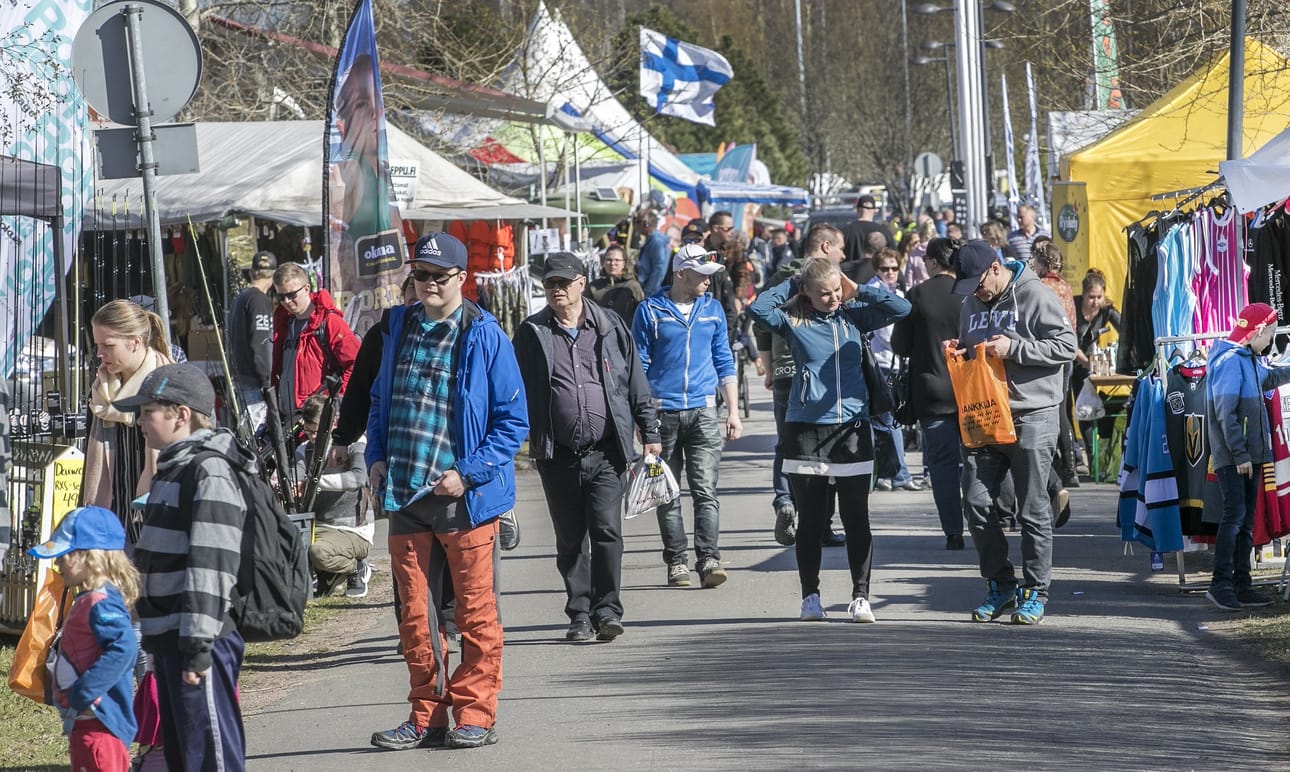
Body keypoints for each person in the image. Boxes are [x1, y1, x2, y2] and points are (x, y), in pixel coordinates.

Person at [367, 232, 527, 751]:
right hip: (405, 496)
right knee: (416, 615)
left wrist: (468, 472)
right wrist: (375, 459)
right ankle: (425, 715)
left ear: (462, 278)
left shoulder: (484, 334)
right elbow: (377, 401)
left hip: (464, 497)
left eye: (439, 276)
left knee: (475, 613)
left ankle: (475, 714)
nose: (428, 285)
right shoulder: (396, 325)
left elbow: (512, 421)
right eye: (420, 275)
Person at [748, 257, 910, 623]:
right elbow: (758, 309)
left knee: (857, 518)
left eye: (837, 291)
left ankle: (860, 597)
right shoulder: (793, 319)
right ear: (806, 292)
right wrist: (794, 283)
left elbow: (902, 306)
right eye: (824, 294)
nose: (833, 298)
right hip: (807, 428)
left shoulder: (852, 315)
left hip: (852, 428)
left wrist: (857, 289)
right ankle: (810, 597)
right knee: (812, 519)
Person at [515, 252, 661, 642]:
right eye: (550, 284)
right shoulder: (532, 332)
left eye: (564, 282)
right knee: (569, 539)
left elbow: (634, 383)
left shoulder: (610, 326)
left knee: (607, 531)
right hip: (557, 452)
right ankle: (579, 613)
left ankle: (608, 610)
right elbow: (513, 391)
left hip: (607, 450)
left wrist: (651, 433)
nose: (557, 290)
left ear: (582, 283)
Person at [119, 363, 251, 772]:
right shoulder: (171, 469)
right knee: (186, 758)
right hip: (172, 641)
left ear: (182, 414)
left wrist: (198, 649)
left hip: (199, 642)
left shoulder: (208, 469)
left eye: (148, 411)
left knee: (212, 758)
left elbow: (211, 565)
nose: (140, 421)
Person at [949, 239, 1077, 626]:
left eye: (978, 283)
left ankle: (1036, 591)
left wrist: (1016, 348)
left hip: (1031, 414)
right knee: (975, 502)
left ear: (994, 268)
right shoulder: (971, 302)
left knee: (1033, 508)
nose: (975, 292)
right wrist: (958, 351)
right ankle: (1001, 585)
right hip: (985, 416)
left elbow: (1067, 345)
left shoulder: (1035, 294)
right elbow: (976, 350)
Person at [632, 243, 743, 589]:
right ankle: (676, 561)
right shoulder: (650, 311)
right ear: (681, 273)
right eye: (703, 276)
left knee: (705, 490)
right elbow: (639, 366)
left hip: (704, 411)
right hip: (662, 414)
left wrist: (734, 412)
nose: (709, 283)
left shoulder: (712, 311)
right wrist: (641, 418)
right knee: (667, 492)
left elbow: (724, 360)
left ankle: (709, 558)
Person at [753, 224, 851, 548]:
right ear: (825, 247)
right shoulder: (831, 281)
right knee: (828, 445)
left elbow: (760, 323)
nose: (843, 255)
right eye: (839, 248)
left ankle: (785, 500)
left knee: (787, 443)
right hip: (822, 372)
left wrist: (768, 368)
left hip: (784, 370)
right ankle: (821, 524)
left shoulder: (782, 278)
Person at [30, 505, 139, 772]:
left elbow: (124, 647)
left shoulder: (100, 602)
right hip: (87, 725)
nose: (57, 563)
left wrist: (84, 692)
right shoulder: (89, 599)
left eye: (64, 555)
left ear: (90, 557)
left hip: (100, 728)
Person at [1204, 303, 1290, 610]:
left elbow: (1267, 378)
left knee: (1244, 522)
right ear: (1257, 332)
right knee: (1234, 517)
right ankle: (1220, 583)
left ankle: (1242, 584)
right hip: (1235, 458)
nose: (1270, 341)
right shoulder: (1229, 361)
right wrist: (1239, 453)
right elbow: (1226, 413)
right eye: (1269, 334)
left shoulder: (1248, 358)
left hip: (1251, 456)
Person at [892, 238, 968, 549]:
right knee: (979, 459)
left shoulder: (917, 295)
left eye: (925, 258)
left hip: (932, 391)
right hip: (972, 391)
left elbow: (900, 346)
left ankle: (953, 531)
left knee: (942, 464)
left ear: (935, 261)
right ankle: (990, 517)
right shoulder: (970, 293)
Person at [83, 299, 173, 545]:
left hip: (156, 522)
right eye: (98, 345)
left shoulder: (169, 384)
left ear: (135, 342)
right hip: (112, 522)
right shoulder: (102, 389)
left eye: (108, 345)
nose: (100, 354)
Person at [296, 393, 373, 599]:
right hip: (319, 527)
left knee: (318, 553)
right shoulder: (303, 450)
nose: (311, 437)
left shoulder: (355, 444)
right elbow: (297, 473)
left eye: (316, 432)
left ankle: (355, 567)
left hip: (352, 530)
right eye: (307, 431)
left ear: (333, 423)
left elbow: (358, 478)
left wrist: (315, 482)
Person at [271, 262, 361, 422]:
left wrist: (332, 400)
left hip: (318, 419)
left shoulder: (329, 321)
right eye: (281, 297)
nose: (286, 301)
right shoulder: (284, 322)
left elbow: (355, 363)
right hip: (288, 418)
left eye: (291, 295)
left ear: (306, 289)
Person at [867, 248, 921, 492]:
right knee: (890, 421)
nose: (890, 272)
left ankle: (887, 474)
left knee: (885, 423)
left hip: (894, 363)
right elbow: (887, 334)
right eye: (884, 269)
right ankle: (899, 474)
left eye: (893, 268)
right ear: (876, 270)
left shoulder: (897, 291)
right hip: (882, 363)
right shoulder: (876, 292)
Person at [1072, 268, 1123, 470]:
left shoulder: (1106, 309)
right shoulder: (1073, 306)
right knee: (1068, 408)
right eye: (1091, 297)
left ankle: (1094, 458)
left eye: (1099, 297)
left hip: (1089, 363)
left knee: (1087, 406)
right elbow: (1068, 341)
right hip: (1069, 359)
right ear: (1083, 294)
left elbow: (1126, 330)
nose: (1095, 302)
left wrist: (1119, 354)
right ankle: (1072, 456)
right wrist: (1085, 361)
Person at [227, 251, 277, 433]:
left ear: (251, 272)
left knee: (248, 436)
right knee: (259, 437)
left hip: (242, 377)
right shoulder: (259, 300)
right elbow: (260, 343)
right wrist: (266, 383)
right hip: (255, 383)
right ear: (273, 275)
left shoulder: (241, 298)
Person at [587, 245, 645, 324]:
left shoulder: (632, 287)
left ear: (624, 263)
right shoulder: (593, 287)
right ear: (603, 262)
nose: (612, 263)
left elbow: (641, 314)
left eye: (617, 260)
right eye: (609, 260)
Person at [843, 194, 896, 263]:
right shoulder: (885, 232)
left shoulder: (845, 231)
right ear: (874, 211)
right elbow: (893, 258)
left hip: (849, 272)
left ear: (857, 209)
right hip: (878, 272)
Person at [634, 209, 671, 296]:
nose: (635, 225)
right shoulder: (651, 240)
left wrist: (648, 292)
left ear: (646, 224)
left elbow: (659, 269)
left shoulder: (656, 241)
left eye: (637, 222)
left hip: (651, 292)